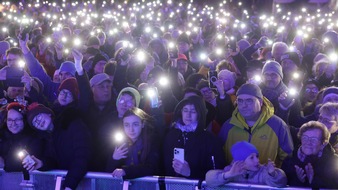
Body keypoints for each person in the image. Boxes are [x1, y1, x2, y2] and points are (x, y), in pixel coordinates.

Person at [219, 83, 293, 166]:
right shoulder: (228, 126)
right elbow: (220, 156)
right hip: (235, 178)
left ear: (260, 102)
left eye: (249, 101)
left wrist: (274, 175)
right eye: (240, 101)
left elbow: (288, 158)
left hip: (266, 178)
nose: (244, 105)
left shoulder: (277, 125)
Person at [24, 103, 91, 190]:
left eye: (39, 116)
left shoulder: (72, 124)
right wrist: (42, 163)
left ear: (48, 113)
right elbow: (54, 161)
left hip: (85, 183)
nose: (38, 122)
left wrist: (69, 185)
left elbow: (82, 156)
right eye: (34, 123)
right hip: (71, 183)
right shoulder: (47, 139)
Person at [162, 95, 225, 180]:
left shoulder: (210, 140)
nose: (188, 115)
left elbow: (217, 172)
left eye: (193, 111)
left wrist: (191, 172)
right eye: (185, 110)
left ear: (200, 114)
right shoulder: (171, 136)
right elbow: (164, 167)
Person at [106, 107, 160, 179]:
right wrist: (114, 159)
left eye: (135, 124)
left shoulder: (151, 141)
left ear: (143, 124)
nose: (131, 129)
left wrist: (126, 171)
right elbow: (108, 172)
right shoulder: (119, 143)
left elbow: (151, 168)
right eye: (127, 125)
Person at [281, 121, 338, 188]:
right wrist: (299, 180)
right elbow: (283, 185)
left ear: (323, 143)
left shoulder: (334, 162)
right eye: (305, 138)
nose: (308, 142)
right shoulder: (290, 160)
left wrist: (313, 180)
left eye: (314, 140)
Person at [206, 141, 287, 188]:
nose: (257, 160)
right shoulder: (232, 171)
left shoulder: (263, 172)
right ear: (241, 161)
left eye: (257, 156)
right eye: (252, 158)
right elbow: (209, 179)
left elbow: (281, 182)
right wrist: (228, 174)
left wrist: (272, 174)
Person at [0, 102, 43, 172]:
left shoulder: (34, 137)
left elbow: (30, 164)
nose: (13, 123)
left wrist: (4, 164)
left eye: (17, 119)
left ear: (24, 120)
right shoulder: (3, 136)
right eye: (10, 120)